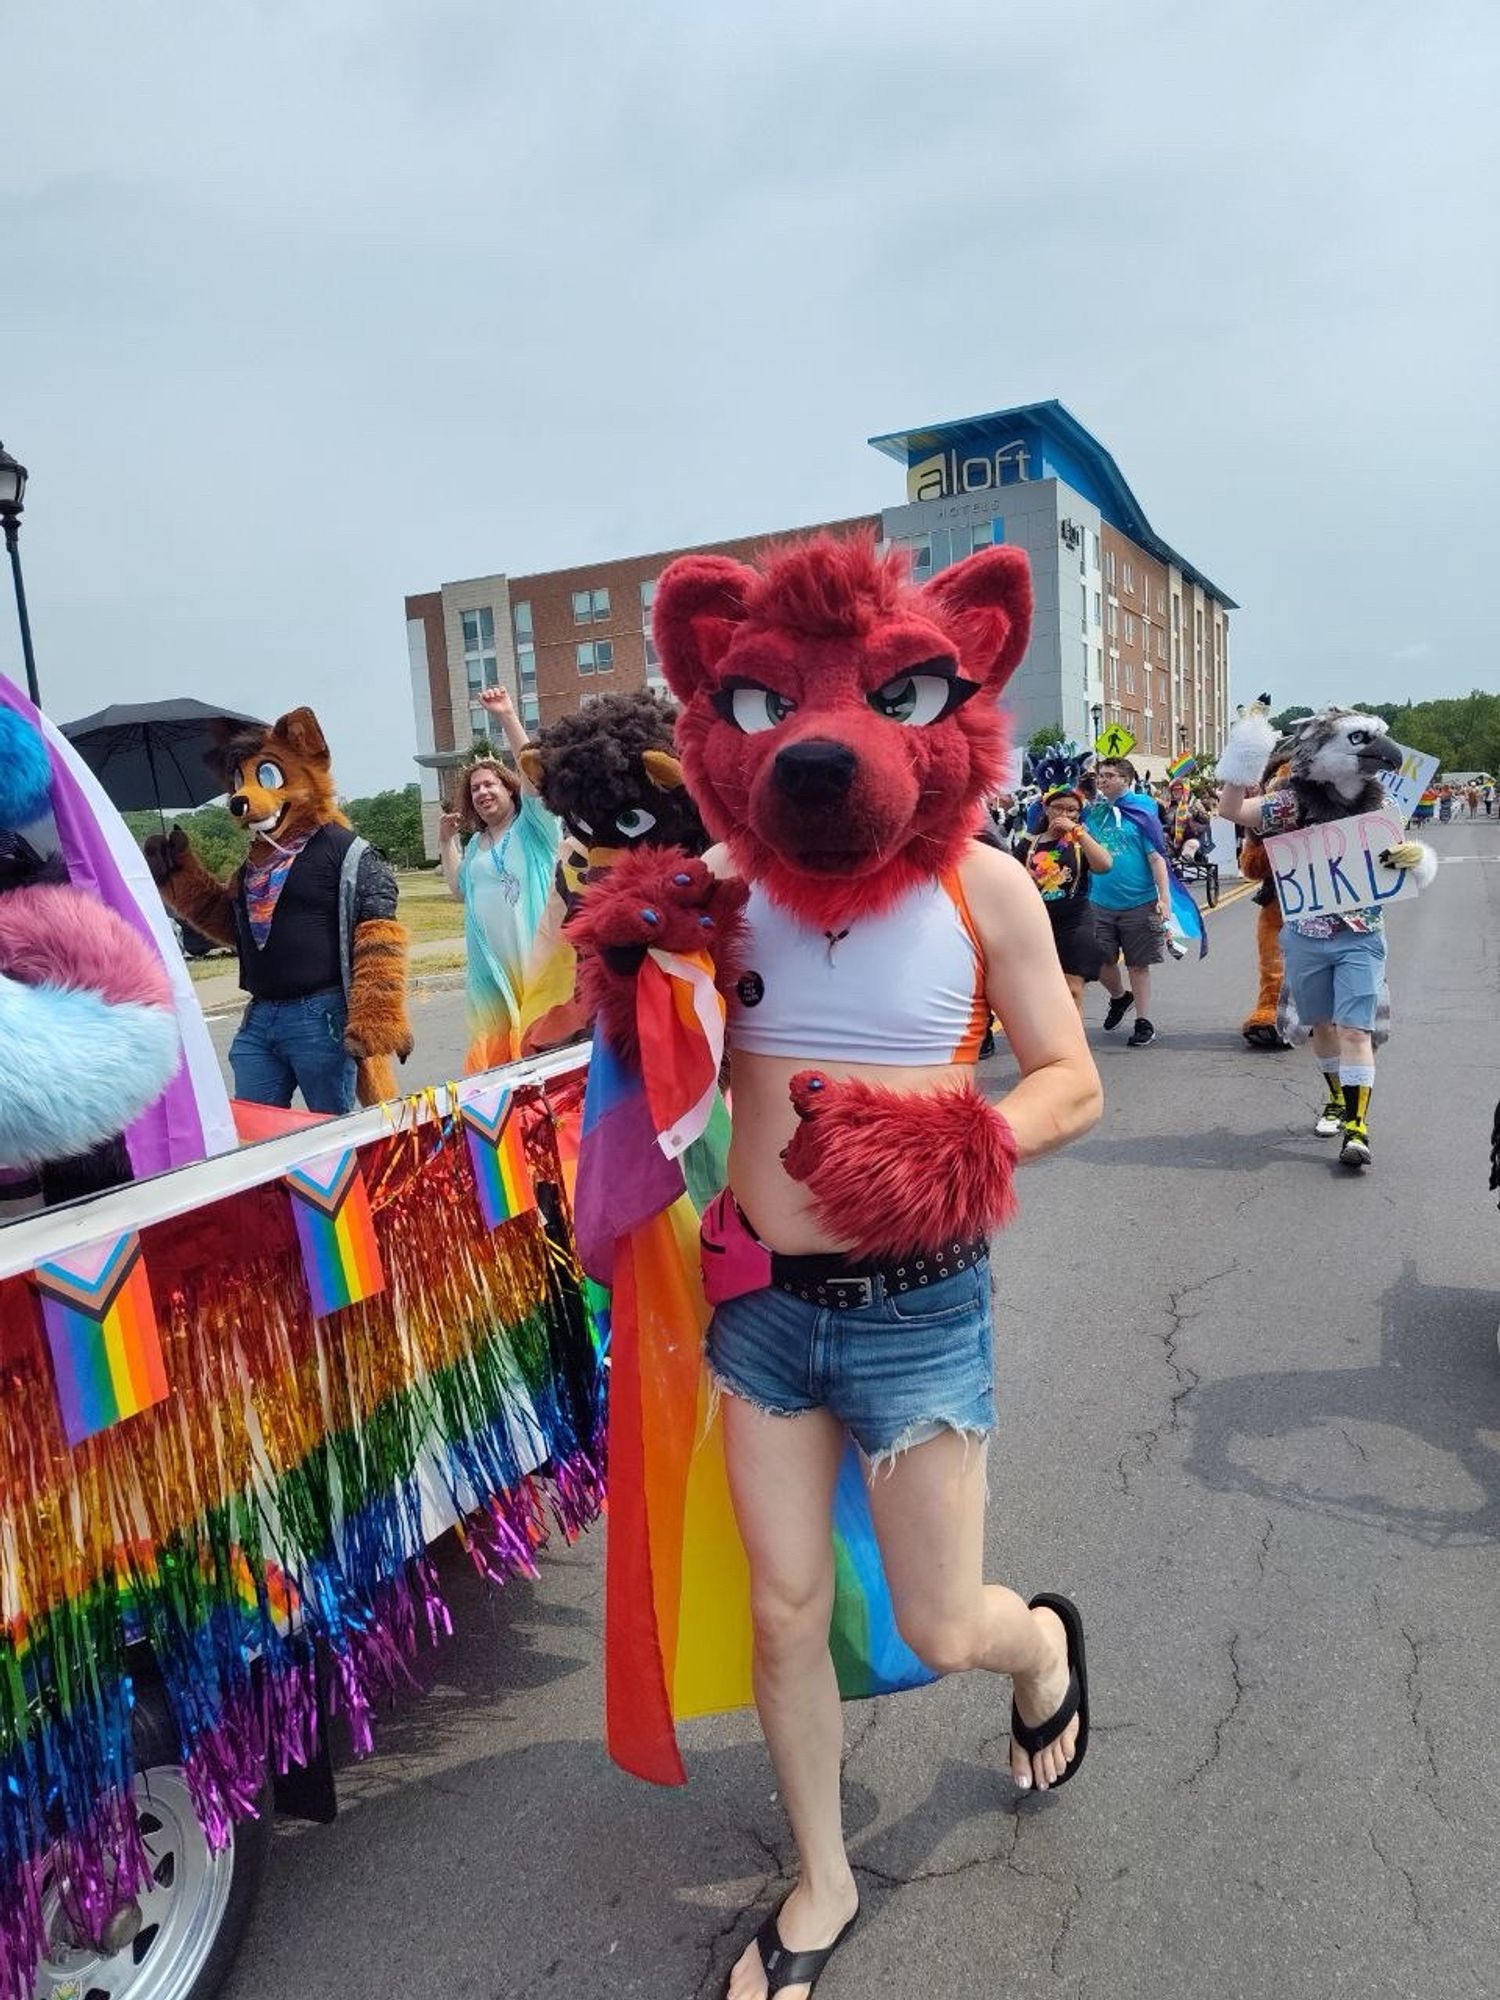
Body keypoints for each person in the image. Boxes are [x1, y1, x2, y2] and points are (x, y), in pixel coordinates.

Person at [574, 535, 1100, 2000]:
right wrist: (618, 981)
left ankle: (1042, 1647)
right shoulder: (716, 894)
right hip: (759, 1314)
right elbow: (654, 1082)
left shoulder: (986, 888)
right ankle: (821, 1880)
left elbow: (1072, 1081)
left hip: (920, 1313)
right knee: (785, 1610)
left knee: (940, 1621)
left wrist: (959, 1149)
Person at [439, 685, 560, 1071]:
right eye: (475, 789)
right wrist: (447, 842)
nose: (482, 792)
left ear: (510, 788)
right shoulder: (476, 844)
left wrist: (507, 716)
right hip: (491, 972)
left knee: (543, 1056)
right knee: (499, 1067)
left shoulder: (533, 829)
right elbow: (459, 890)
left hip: (537, 962)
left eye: (490, 783)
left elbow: (536, 779)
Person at [1085, 757, 1173, 1047]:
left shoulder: (1142, 808)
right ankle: (1120, 998)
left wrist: (1165, 899)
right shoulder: (1094, 812)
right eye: (1100, 775)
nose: (1102, 779)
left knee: (1138, 964)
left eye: (1109, 775)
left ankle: (1143, 1021)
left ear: (1126, 779)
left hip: (1139, 901)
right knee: (1098, 960)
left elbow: (1155, 856)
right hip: (1099, 900)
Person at [1023, 785, 1113, 1009]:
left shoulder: (1081, 840)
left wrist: (1078, 832)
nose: (1064, 814)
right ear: (1046, 809)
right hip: (1038, 920)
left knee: (1072, 988)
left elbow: (1104, 865)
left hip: (1074, 918)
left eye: (1072, 810)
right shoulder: (1030, 842)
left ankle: (1074, 1043)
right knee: (1040, 990)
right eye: (1058, 808)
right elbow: (1012, 876)